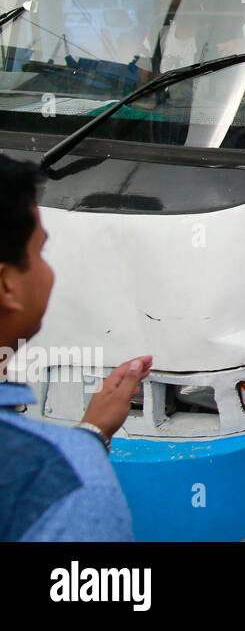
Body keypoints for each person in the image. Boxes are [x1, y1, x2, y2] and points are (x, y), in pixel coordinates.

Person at [0, 155, 152, 541]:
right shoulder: (69, 485)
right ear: (7, 287)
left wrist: (90, 434)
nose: (48, 270)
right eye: (39, 253)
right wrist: (80, 452)